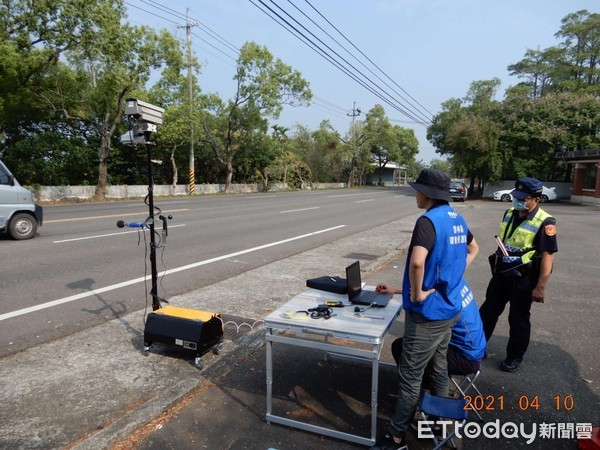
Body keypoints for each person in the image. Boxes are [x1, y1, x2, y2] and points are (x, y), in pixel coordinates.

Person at [370, 169, 479, 450]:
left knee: (411, 376)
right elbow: (474, 249)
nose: (415, 194)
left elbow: (417, 262)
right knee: (439, 367)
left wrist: (417, 293)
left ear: (427, 193)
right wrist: (453, 278)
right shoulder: (457, 218)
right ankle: (439, 425)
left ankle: (395, 438)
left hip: (427, 314)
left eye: (417, 190)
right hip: (449, 309)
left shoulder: (427, 222)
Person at [479, 177, 558, 372]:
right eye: (517, 196)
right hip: (501, 275)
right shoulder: (510, 213)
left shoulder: (545, 222)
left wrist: (541, 287)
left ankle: (514, 356)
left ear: (536, 200)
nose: (518, 200)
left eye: (523, 198)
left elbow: (548, 257)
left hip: (523, 280)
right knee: (487, 313)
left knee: (518, 319)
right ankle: (476, 348)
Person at [391, 288, 486, 378]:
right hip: (475, 350)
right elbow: (424, 292)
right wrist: (394, 290)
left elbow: (422, 297)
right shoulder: (455, 284)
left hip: (466, 358)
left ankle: (424, 390)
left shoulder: (443, 300)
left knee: (403, 347)